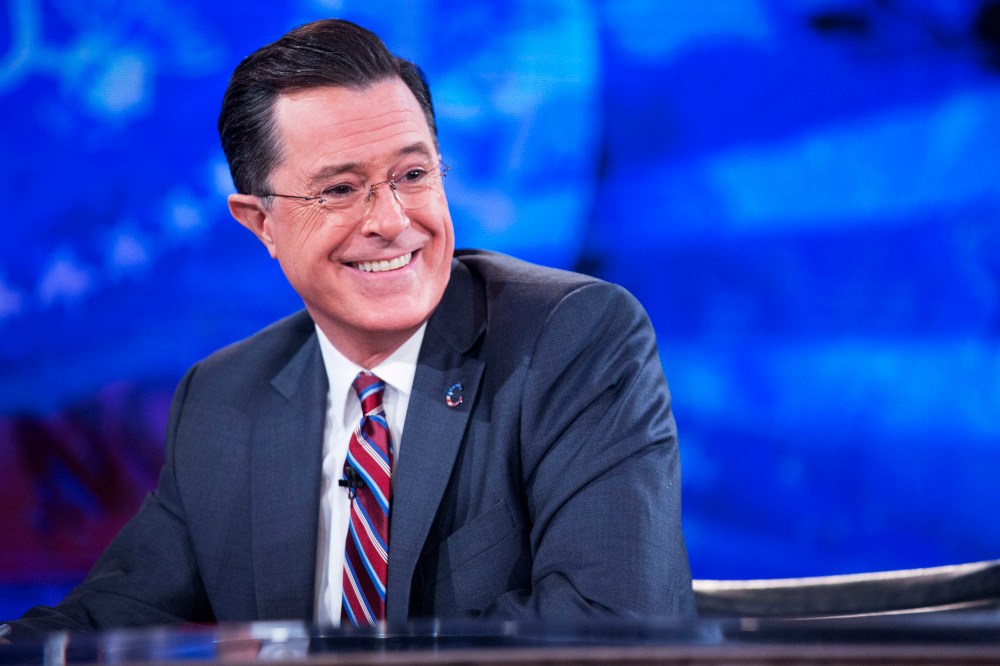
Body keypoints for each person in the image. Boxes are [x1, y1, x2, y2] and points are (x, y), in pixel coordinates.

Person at [3, 18, 694, 640]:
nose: (392, 220)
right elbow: (108, 618)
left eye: (413, 174)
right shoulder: (223, 397)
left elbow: (611, 625)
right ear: (260, 221)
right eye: (339, 189)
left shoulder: (570, 340)